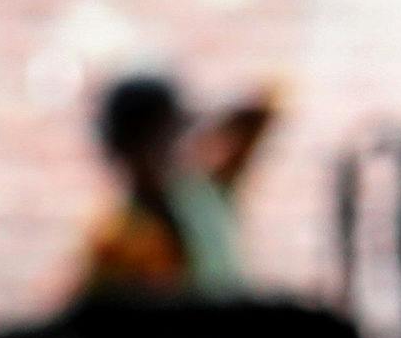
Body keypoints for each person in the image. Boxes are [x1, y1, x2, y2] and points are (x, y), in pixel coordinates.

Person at [74, 71, 270, 303]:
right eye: (158, 137)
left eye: (172, 133)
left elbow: (264, 109)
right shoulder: (121, 237)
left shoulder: (200, 197)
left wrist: (208, 114)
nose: (168, 147)